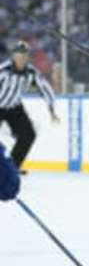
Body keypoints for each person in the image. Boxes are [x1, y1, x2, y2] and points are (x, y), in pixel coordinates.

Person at [0, 41, 60, 172]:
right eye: (18, 55)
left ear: (28, 57)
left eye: (24, 56)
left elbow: (45, 89)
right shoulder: (3, 70)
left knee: (28, 135)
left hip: (14, 107)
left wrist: (52, 110)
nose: (21, 59)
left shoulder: (31, 72)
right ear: (13, 56)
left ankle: (12, 168)